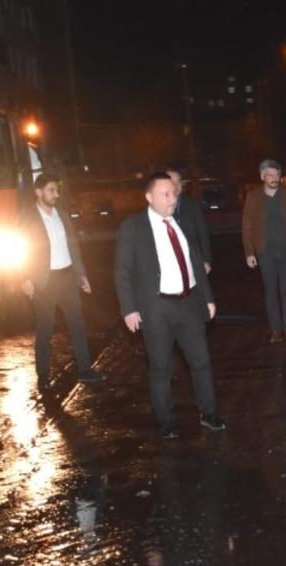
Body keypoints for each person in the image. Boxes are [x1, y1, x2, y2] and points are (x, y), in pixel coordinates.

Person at [114, 172, 224, 439]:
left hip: (189, 305)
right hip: (157, 309)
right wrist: (129, 308)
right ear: (149, 197)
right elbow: (122, 270)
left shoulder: (181, 223)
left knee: (201, 361)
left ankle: (208, 412)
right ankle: (166, 421)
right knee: (161, 368)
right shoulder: (133, 227)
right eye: (165, 194)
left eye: (173, 193)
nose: (172, 198)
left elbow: (196, 263)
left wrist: (208, 298)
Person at [18, 173, 103, 391]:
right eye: (51, 190)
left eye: (57, 190)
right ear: (39, 192)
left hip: (67, 277)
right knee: (45, 329)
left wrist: (81, 275)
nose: (56, 194)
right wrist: (25, 277)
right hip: (44, 281)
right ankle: (43, 377)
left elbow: (73, 246)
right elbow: (21, 249)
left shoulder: (62, 215)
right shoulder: (28, 218)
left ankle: (85, 370)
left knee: (77, 324)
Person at [241, 159, 286, 344]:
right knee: (270, 292)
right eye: (270, 175)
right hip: (265, 252)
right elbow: (247, 225)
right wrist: (249, 252)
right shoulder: (253, 197)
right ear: (262, 176)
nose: (274, 178)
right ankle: (276, 330)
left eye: (277, 175)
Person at [166, 168, 212, 275]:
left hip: (192, 260)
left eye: (179, 181)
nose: (177, 185)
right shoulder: (159, 207)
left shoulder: (193, 205)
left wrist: (206, 260)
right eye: (172, 182)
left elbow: (203, 234)